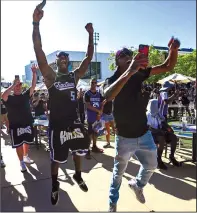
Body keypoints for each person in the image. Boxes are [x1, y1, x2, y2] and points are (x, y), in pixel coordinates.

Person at [103, 37, 180, 212]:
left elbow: (168, 66)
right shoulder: (113, 78)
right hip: (124, 137)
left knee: (152, 165)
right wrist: (129, 71)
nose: (129, 56)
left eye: (130, 54)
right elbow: (108, 95)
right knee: (118, 174)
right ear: (117, 60)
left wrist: (173, 50)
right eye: (124, 55)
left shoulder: (140, 73)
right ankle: (112, 203)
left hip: (143, 133)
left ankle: (137, 185)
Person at [32, 3, 94, 205]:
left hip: (73, 121)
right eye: (61, 56)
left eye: (66, 56)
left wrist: (91, 34)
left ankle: (77, 175)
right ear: (56, 61)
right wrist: (35, 24)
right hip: (57, 125)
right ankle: (54, 184)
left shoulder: (74, 77)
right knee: (56, 158)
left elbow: (88, 58)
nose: (64, 58)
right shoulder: (50, 77)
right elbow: (38, 50)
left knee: (78, 150)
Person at [2, 65, 37, 172]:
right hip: (15, 125)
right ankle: (21, 162)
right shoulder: (10, 97)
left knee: (26, 142)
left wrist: (34, 73)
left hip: (27, 123)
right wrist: (13, 85)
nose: (18, 86)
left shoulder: (26, 95)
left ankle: (26, 156)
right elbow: (3, 96)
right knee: (18, 144)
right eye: (16, 85)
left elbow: (33, 86)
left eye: (19, 84)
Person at [147, 99, 180, 170]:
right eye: (157, 105)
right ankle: (159, 159)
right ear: (153, 105)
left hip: (160, 132)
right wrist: (160, 131)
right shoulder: (148, 115)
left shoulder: (158, 114)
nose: (158, 106)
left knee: (173, 137)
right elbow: (149, 128)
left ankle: (172, 156)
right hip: (151, 134)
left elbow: (163, 123)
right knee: (161, 139)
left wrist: (169, 128)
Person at [84, 78, 105, 159]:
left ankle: (94, 146)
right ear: (90, 84)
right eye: (92, 83)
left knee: (95, 132)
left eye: (95, 83)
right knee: (89, 134)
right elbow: (88, 105)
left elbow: (102, 103)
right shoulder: (87, 94)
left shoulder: (99, 94)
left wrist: (101, 111)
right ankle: (87, 150)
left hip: (97, 117)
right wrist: (98, 111)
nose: (93, 84)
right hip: (90, 116)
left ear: (97, 84)